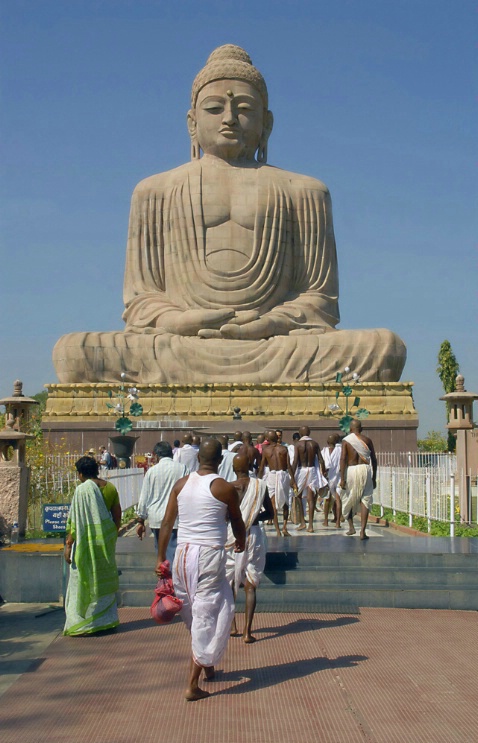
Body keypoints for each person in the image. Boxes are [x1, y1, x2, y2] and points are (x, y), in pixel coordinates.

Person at [53, 45, 406, 387]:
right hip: (179, 343)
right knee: (74, 352)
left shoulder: (305, 191)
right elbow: (141, 299)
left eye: (245, 109)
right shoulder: (153, 191)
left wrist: (269, 323)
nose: (229, 118)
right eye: (214, 107)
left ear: (266, 124)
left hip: (276, 344)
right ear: (191, 123)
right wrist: (178, 320)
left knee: (384, 348)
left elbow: (320, 299)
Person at [156, 438, 246, 701]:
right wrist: (241, 541)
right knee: (208, 611)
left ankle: (207, 665)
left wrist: (161, 557)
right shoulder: (223, 488)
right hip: (208, 554)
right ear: (220, 460)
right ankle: (192, 685)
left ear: (197, 459)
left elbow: (166, 523)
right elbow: (237, 521)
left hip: (182, 554)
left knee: (192, 609)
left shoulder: (181, 485)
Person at [63, 456, 121, 636]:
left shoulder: (81, 491)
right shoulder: (110, 488)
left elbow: (75, 523)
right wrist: (110, 536)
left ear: (80, 473)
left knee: (83, 578)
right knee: (103, 577)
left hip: (84, 545)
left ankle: (84, 624)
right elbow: (117, 515)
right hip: (104, 543)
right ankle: (107, 620)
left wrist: (68, 544)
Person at [226, 454, 273, 643]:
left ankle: (232, 626)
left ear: (233, 468)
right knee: (250, 583)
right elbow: (270, 513)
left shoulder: (228, 488)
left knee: (229, 580)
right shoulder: (260, 485)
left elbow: (224, 516)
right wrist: (252, 519)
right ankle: (247, 632)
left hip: (231, 536)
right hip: (253, 535)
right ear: (251, 466)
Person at [136, 441, 188, 561]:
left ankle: (165, 577)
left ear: (156, 455)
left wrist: (141, 520)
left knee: (161, 553)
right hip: (176, 517)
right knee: (174, 553)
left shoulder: (151, 472)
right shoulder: (183, 469)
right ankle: (173, 577)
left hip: (157, 518)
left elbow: (144, 497)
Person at [339, 420, 377, 540]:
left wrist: (342, 478)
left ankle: (351, 527)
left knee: (348, 497)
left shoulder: (346, 441)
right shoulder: (367, 440)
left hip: (351, 470)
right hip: (366, 469)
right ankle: (362, 531)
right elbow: (374, 460)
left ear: (350, 429)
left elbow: (343, 459)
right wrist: (374, 477)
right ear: (361, 429)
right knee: (366, 499)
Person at [259, 430, 298, 537]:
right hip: (283, 475)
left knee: (273, 504)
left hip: (272, 476)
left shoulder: (266, 450)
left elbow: (262, 467)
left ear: (267, 439)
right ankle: (284, 527)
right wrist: (293, 480)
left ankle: (277, 531)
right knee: (285, 502)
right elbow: (289, 466)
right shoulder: (283, 449)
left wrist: (257, 480)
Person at [292, 426, 328, 533]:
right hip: (312, 471)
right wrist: (324, 472)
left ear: (300, 433)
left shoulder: (298, 444)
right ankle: (310, 525)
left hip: (301, 470)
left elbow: (295, 462)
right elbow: (321, 460)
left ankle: (303, 522)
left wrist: (292, 478)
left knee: (298, 495)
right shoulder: (315, 444)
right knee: (311, 498)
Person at [321, 434, 342, 527]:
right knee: (338, 500)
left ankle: (326, 521)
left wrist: (323, 473)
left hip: (329, 477)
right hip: (337, 477)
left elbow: (321, 463)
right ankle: (338, 522)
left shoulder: (324, 451)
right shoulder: (340, 450)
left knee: (327, 500)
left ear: (327, 442)